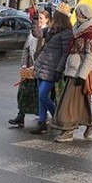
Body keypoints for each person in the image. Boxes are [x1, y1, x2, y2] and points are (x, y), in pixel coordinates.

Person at [50, 3, 92, 142]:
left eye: (78, 14)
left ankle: (68, 131)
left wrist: (82, 76)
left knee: (68, 104)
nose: (76, 16)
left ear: (84, 15)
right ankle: (91, 121)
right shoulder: (78, 30)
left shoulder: (91, 33)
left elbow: (90, 56)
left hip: (79, 73)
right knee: (79, 103)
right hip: (72, 70)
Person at [29, 7, 73, 135]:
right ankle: (42, 123)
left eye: (56, 15)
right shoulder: (52, 30)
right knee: (41, 97)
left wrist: (59, 70)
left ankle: (57, 118)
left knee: (43, 95)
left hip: (51, 69)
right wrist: (35, 19)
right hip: (41, 65)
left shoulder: (67, 32)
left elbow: (65, 53)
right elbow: (37, 34)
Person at [8, 9, 50, 127]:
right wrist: (24, 64)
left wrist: (35, 65)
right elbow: (26, 49)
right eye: (38, 18)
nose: (39, 21)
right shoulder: (32, 33)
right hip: (28, 69)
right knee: (23, 93)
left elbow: (44, 52)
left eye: (41, 18)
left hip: (40, 69)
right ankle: (21, 116)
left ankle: (43, 116)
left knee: (39, 94)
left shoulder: (47, 33)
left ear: (47, 20)